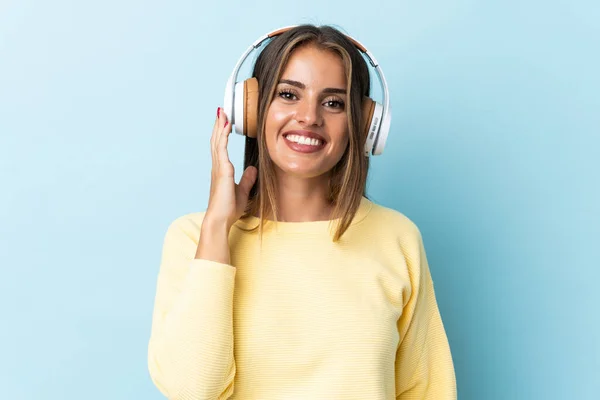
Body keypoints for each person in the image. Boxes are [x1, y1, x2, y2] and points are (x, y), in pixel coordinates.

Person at [147, 24, 457, 399]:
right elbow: (192, 389)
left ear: (363, 124)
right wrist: (216, 227)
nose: (309, 117)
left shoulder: (397, 238)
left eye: (333, 102)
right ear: (250, 109)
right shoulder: (193, 239)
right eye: (289, 94)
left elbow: (427, 390)